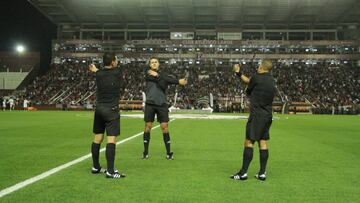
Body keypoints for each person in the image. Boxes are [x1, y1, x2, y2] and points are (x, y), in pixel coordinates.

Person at [230, 59, 276, 181]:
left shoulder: (256, 77)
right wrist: (239, 73)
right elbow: (250, 81)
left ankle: (243, 173)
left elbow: (248, 89)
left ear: (262, 67)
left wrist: (238, 73)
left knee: (249, 142)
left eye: (259, 66)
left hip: (257, 115)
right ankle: (262, 173)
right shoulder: (272, 80)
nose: (257, 67)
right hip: (267, 115)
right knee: (263, 141)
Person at [88, 52, 126, 179]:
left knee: (97, 138)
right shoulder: (118, 72)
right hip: (111, 109)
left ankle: (95, 166)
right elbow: (113, 70)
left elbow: (99, 71)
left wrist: (95, 69)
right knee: (111, 140)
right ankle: (110, 171)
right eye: (116, 60)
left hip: (99, 109)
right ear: (113, 62)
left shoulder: (99, 74)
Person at [142, 57, 187, 160]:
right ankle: (145, 152)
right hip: (150, 103)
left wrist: (177, 81)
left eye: (155, 62)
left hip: (162, 104)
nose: (153, 64)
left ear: (159, 64)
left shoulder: (162, 75)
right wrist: (177, 81)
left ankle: (168, 153)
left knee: (164, 127)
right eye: (152, 62)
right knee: (147, 126)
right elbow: (163, 83)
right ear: (149, 65)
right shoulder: (147, 73)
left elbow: (164, 81)